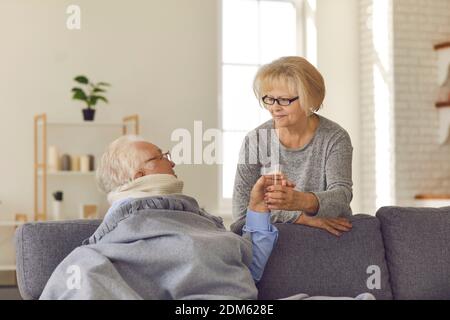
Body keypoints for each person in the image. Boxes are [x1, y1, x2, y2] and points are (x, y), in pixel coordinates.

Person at [232, 56, 354, 236]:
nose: (274, 108)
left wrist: (301, 200)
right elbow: (241, 215)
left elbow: (341, 197)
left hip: (328, 239)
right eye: (268, 99)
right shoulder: (255, 140)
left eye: (283, 100)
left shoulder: (334, 138)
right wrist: (301, 217)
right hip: (273, 240)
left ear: (309, 99)